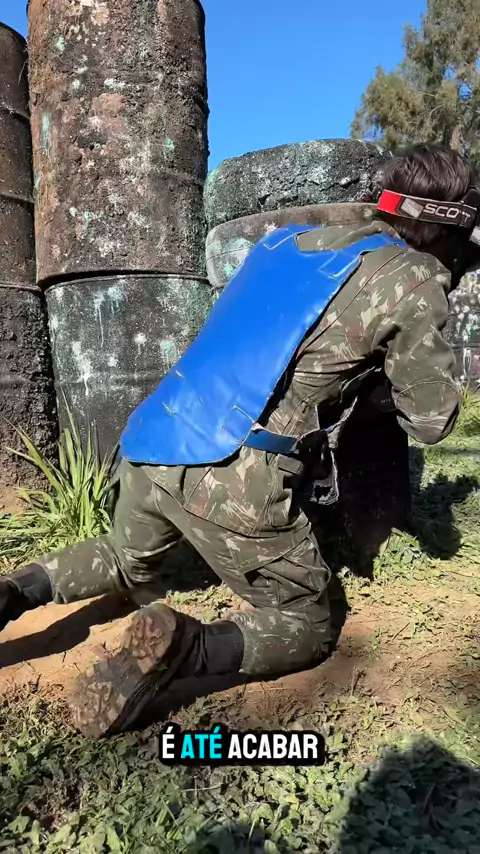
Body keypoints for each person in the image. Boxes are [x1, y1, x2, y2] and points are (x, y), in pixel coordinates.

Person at [1, 143, 479, 740]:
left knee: (127, 560)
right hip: (230, 470)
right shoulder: (412, 278)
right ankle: (188, 647)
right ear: (448, 229)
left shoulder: (289, 242)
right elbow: (431, 421)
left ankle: (16, 591)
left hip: (153, 438)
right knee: (308, 623)